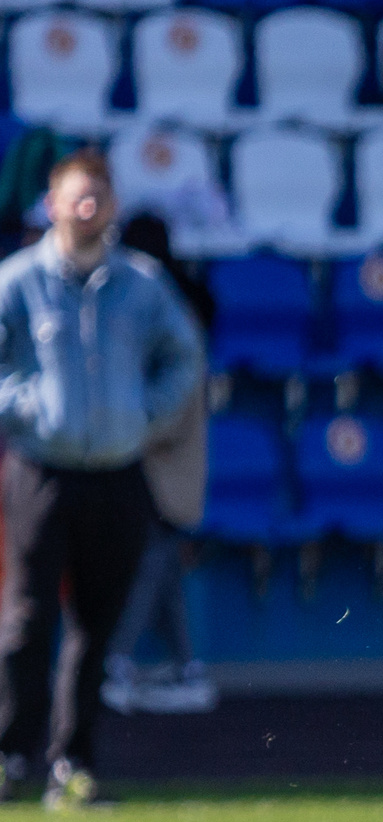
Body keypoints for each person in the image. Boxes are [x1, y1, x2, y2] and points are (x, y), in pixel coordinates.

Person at [0, 151, 203, 809]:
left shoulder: (142, 284)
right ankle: (11, 753)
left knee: (97, 626)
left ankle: (74, 764)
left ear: (112, 206)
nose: (87, 209)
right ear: (52, 205)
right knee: (27, 619)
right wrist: (25, 406)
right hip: (42, 471)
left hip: (118, 473)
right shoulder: (19, 281)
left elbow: (184, 355)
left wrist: (143, 413)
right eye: (75, 198)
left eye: (98, 198)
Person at [99, 210, 213, 719]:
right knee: (160, 569)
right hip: (153, 462)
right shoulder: (157, 307)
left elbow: (173, 405)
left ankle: (115, 661)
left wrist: (118, 430)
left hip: (160, 463)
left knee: (146, 565)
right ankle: (186, 667)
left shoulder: (172, 313)